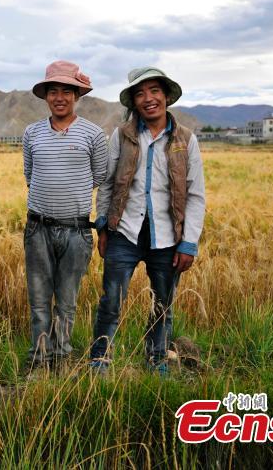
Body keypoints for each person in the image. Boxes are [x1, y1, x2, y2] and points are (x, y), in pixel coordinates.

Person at [90, 67, 206, 376]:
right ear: (134, 101)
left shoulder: (186, 139)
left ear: (166, 96)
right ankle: (100, 359)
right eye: (140, 93)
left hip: (167, 237)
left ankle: (157, 359)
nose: (148, 98)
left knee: (163, 304)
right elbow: (108, 183)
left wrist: (189, 243)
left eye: (154, 91)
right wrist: (102, 226)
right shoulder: (122, 135)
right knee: (111, 301)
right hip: (124, 232)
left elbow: (195, 195)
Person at [22, 61, 108, 373]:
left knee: (67, 302)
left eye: (67, 91)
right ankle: (39, 359)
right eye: (53, 91)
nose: (59, 97)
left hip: (76, 232)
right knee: (39, 301)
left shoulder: (94, 134)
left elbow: (100, 178)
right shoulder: (31, 133)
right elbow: (30, 176)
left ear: (77, 95)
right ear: (46, 96)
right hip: (38, 229)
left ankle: (60, 359)